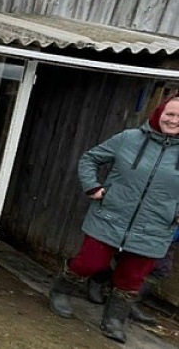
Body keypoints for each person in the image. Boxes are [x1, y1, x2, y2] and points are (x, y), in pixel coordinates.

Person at [49, 94, 179, 344]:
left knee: (131, 278)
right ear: (159, 112)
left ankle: (115, 318)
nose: (173, 120)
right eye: (170, 114)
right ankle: (60, 291)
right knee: (89, 263)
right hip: (109, 216)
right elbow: (90, 158)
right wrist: (93, 187)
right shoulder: (130, 138)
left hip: (155, 227)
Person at [87, 226, 179, 325]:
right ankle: (99, 279)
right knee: (117, 252)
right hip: (143, 227)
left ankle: (129, 302)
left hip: (168, 237)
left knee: (160, 269)